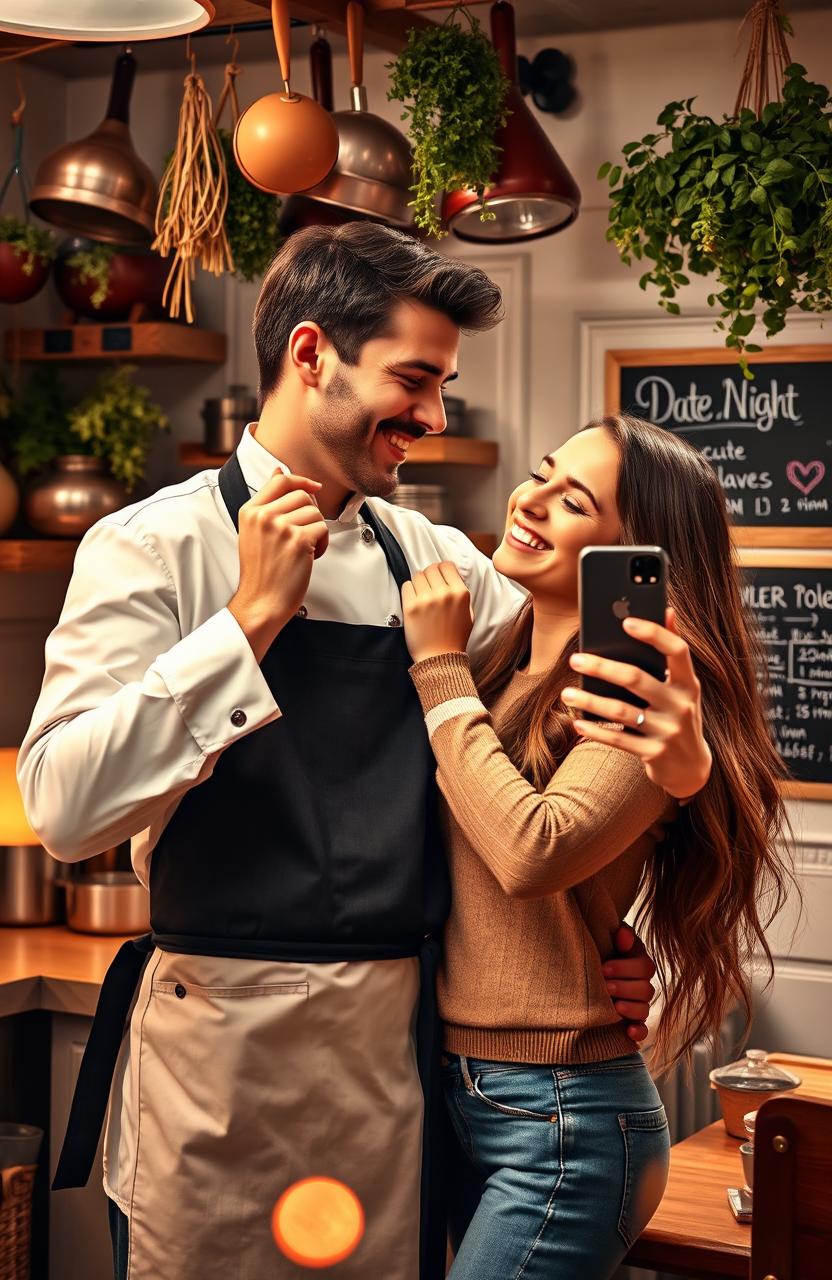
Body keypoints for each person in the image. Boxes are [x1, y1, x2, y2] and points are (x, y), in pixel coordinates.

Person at [18, 226, 658, 1280]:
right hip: (214, 1061)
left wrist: (616, 939)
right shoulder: (148, 546)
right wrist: (247, 624)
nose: (433, 416)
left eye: (444, 386)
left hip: (392, 1065)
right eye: (413, 379)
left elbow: (549, 754)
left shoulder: (440, 563)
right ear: (311, 354)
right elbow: (65, 806)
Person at [400, 412, 793, 1279]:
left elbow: (530, 850)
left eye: (572, 500)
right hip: (469, 1085)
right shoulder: (503, 665)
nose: (531, 500)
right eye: (541, 473)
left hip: (563, 1118)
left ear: (633, 555)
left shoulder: (639, 696)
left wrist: (436, 670)